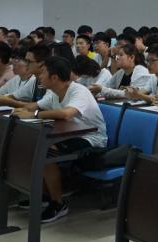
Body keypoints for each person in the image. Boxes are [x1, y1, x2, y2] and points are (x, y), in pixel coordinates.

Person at [12, 56, 107, 223]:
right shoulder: (53, 92)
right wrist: (19, 110)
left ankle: (58, 203)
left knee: (46, 151)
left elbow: (66, 113)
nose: (39, 76)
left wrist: (34, 114)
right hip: (68, 134)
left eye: (43, 73)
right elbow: (35, 106)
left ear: (54, 77)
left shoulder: (78, 91)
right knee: (33, 145)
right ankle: (45, 194)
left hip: (91, 138)